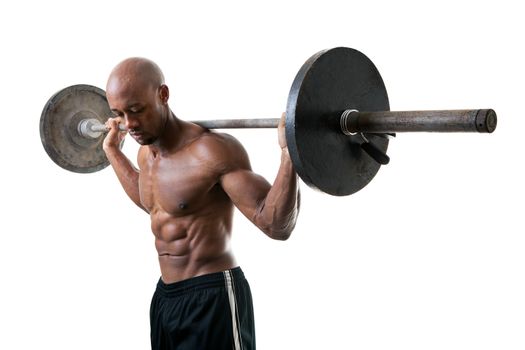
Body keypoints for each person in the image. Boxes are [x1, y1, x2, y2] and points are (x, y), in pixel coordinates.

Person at [102, 57, 300, 350]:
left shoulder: (211, 151)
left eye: (136, 110)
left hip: (212, 297)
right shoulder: (146, 154)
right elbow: (155, 204)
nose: (129, 124)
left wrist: (290, 153)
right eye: (119, 114)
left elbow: (274, 224)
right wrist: (113, 152)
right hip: (166, 298)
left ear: (163, 95)